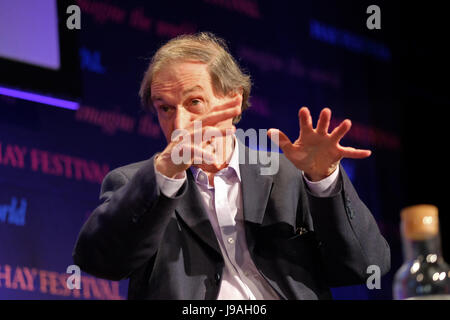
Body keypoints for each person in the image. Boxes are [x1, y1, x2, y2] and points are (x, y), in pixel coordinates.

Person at [72, 32, 390, 300]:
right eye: (165, 108)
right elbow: (102, 262)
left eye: (194, 102)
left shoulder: (290, 176)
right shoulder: (134, 183)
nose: (179, 123)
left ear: (233, 101)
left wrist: (323, 182)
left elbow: (365, 266)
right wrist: (166, 171)